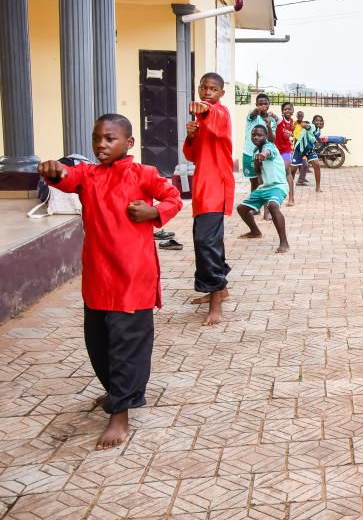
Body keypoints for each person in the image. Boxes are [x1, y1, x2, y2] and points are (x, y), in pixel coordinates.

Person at [38, 114, 182, 450]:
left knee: (128, 347)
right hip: (98, 277)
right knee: (99, 344)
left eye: (110, 139)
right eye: (97, 138)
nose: (101, 145)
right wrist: (53, 170)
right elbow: (66, 176)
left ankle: (120, 414)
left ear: (128, 143)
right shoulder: (88, 175)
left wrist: (154, 213)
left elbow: (172, 196)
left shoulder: (142, 174)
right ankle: (116, 390)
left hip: (133, 278)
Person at [183, 72, 234, 326]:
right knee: (209, 241)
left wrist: (204, 110)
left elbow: (216, 117)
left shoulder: (220, 114)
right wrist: (191, 135)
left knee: (206, 242)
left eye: (213, 89)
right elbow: (192, 155)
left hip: (216, 187)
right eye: (203, 87)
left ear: (221, 93)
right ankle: (220, 290)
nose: (207, 92)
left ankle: (216, 302)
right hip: (202, 188)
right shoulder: (200, 119)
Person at [237, 124, 289, 253]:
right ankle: (255, 231)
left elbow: (267, 153)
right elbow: (259, 172)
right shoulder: (255, 151)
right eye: (253, 135)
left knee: (273, 206)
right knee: (241, 208)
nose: (255, 137)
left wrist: (263, 155)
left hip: (278, 185)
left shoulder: (269, 146)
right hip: (264, 187)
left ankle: (284, 243)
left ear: (266, 136)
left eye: (259, 135)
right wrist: (257, 163)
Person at [242, 93, 278, 193]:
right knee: (254, 182)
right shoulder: (253, 115)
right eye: (260, 104)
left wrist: (269, 126)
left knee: (265, 182)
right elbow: (254, 113)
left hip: (265, 155)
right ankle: (255, 207)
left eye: (265, 103)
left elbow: (271, 140)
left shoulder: (272, 120)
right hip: (249, 154)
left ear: (269, 104)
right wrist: (259, 109)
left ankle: (266, 208)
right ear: (256, 104)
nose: (263, 106)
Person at [274, 101, 296, 207]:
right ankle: (291, 199)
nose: (287, 110)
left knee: (282, 171)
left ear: (292, 111)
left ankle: (286, 197)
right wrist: (270, 114)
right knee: (288, 173)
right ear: (282, 111)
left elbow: (290, 134)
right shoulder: (280, 118)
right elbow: (274, 116)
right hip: (276, 150)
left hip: (287, 151)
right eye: (285, 109)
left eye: (289, 109)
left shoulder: (291, 121)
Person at [290, 120, 321, 194]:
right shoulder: (312, 126)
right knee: (293, 170)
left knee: (316, 164)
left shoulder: (318, 130)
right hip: (300, 149)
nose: (319, 122)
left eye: (321, 121)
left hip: (309, 150)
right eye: (318, 120)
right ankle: (289, 188)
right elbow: (307, 127)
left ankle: (318, 187)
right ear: (313, 122)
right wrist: (304, 125)